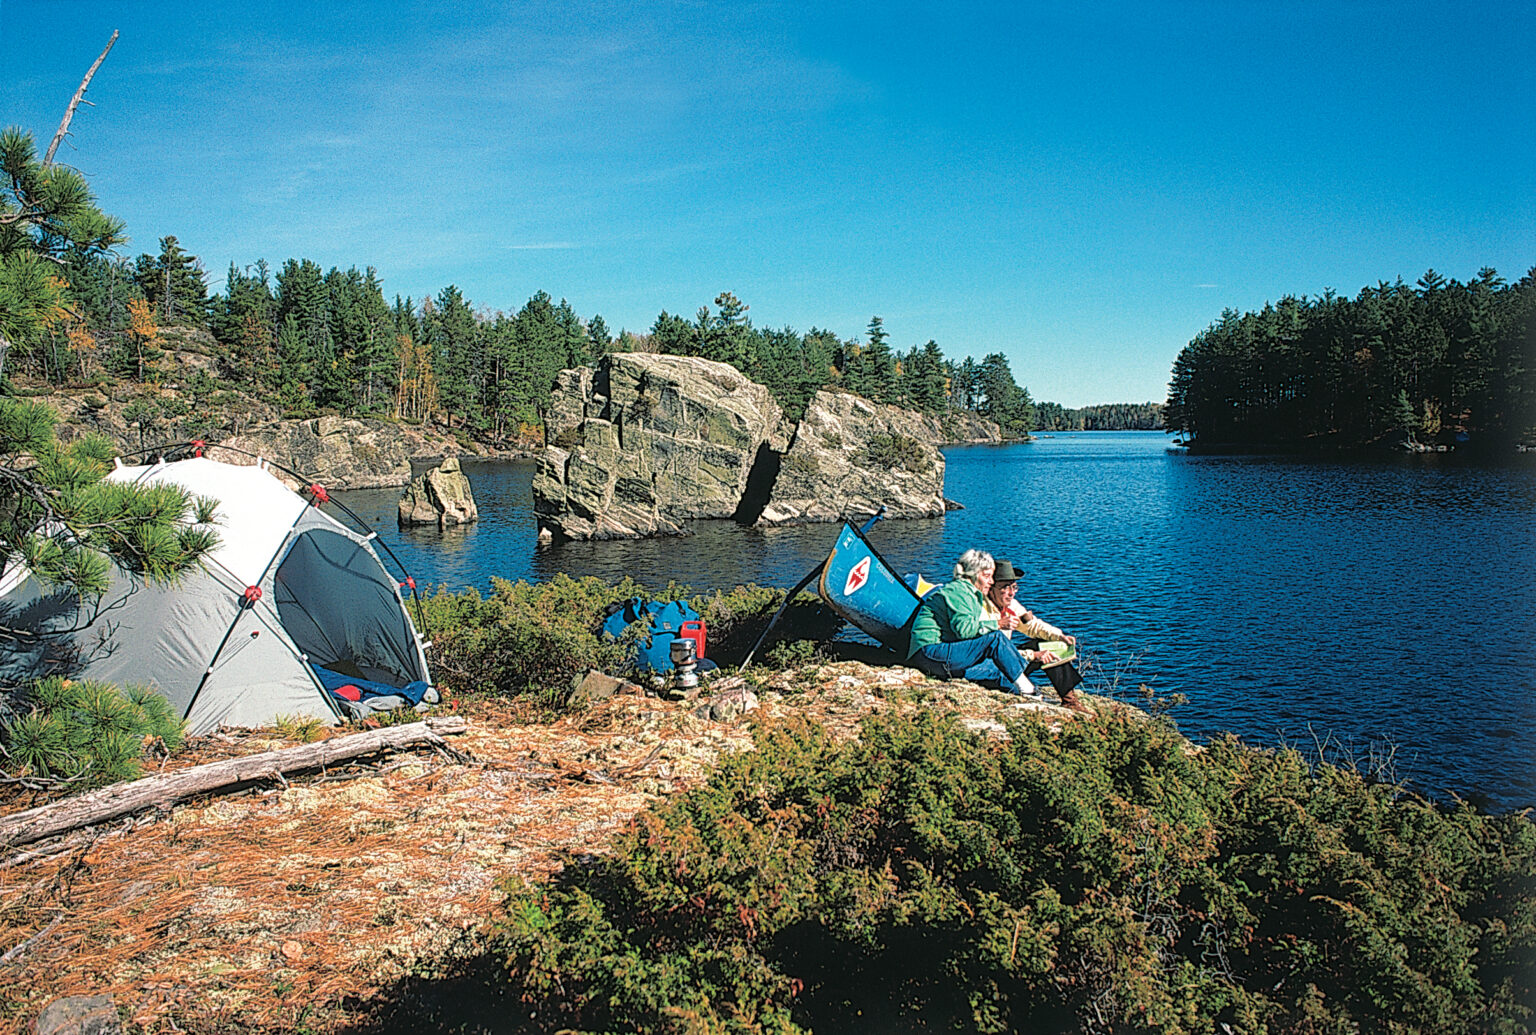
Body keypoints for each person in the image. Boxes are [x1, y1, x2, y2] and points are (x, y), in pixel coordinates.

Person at [905, 549, 1056, 701]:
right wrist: (997, 624)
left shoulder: (971, 594)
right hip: (929, 652)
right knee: (995, 639)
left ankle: (1029, 696)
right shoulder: (958, 591)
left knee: (998, 671)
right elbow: (964, 631)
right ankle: (1029, 691)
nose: (991, 581)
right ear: (973, 574)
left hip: (939, 656)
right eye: (987, 576)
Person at [981, 559, 1090, 713]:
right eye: (1005, 587)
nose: (1011, 593)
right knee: (1038, 651)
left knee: (1048, 644)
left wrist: (1058, 636)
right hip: (990, 669)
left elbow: (1032, 626)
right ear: (990, 588)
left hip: (1009, 663)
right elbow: (990, 655)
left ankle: (1069, 701)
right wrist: (1033, 655)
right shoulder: (981, 610)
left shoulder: (1010, 605)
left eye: (1014, 586)